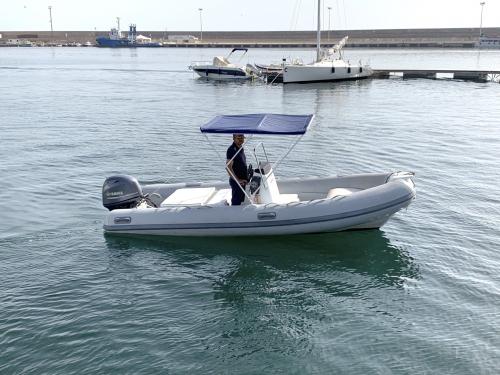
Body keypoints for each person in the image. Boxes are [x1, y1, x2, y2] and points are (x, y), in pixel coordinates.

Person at [226, 133, 248, 206]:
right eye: (239, 138)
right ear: (234, 138)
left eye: (242, 137)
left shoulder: (241, 148)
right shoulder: (231, 150)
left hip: (243, 181)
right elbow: (228, 167)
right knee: (236, 203)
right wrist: (238, 180)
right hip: (237, 182)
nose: (241, 139)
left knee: (241, 201)